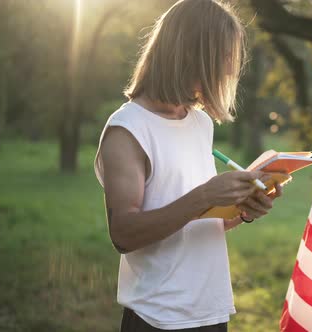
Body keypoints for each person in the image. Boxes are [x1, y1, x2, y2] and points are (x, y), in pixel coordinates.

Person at [93, 1, 281, 331]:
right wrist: (205, 194)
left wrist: (243, 209)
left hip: (210, 310)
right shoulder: (128, 129)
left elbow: (200, 223)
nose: (227, 72)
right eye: (223, 59)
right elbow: (123, 234)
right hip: (158, 317)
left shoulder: (200, 123)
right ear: (192, 54)